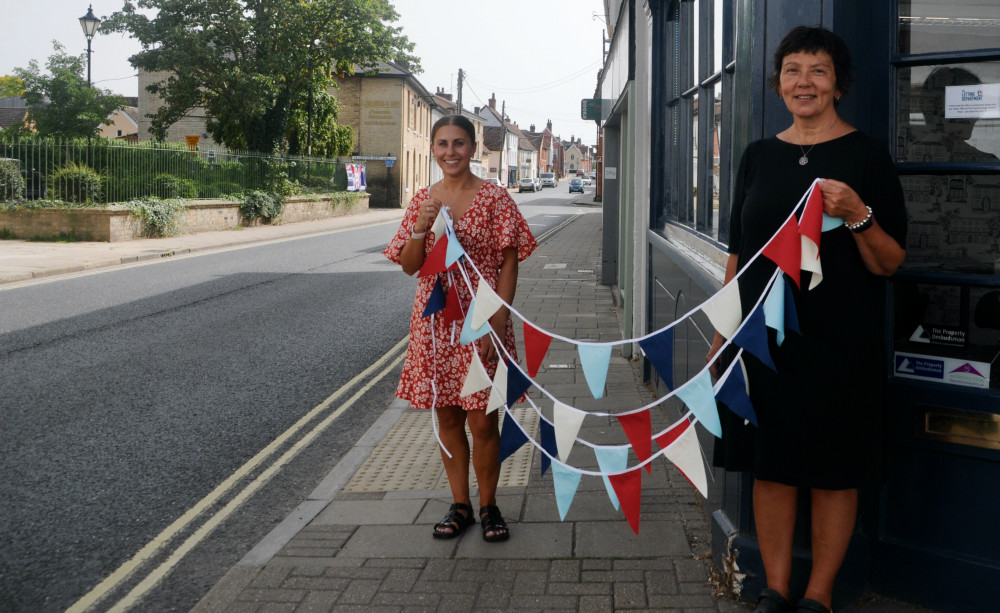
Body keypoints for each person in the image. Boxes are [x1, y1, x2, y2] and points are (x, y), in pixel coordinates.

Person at [706, 26, 908, 613]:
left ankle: (818, 595)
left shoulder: (866, 155)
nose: (804, 82)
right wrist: (722, 337)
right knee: (770, 468)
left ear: (838, 83)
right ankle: (777, 589)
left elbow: (890, 262)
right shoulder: (758, 156)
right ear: (777, 84)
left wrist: (858, 214)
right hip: (763, 341)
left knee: (834, 472)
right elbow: (738, 257)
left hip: (841, 340)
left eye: (817, 70)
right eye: (792, 70)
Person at [383, 114, 537, 542]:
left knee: (484, 421)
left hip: (483, 323)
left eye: (459, 143)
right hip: (435, 324)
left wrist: (498, 321)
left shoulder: (494, 198)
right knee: (447, 416)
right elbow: (411, 267)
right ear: (433, 150)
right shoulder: (422, 201)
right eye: (442, 144)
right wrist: (420, 228)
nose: (450, 151)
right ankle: (460, 504)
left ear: (473, 149)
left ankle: (489, 505)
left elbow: (510, 259)